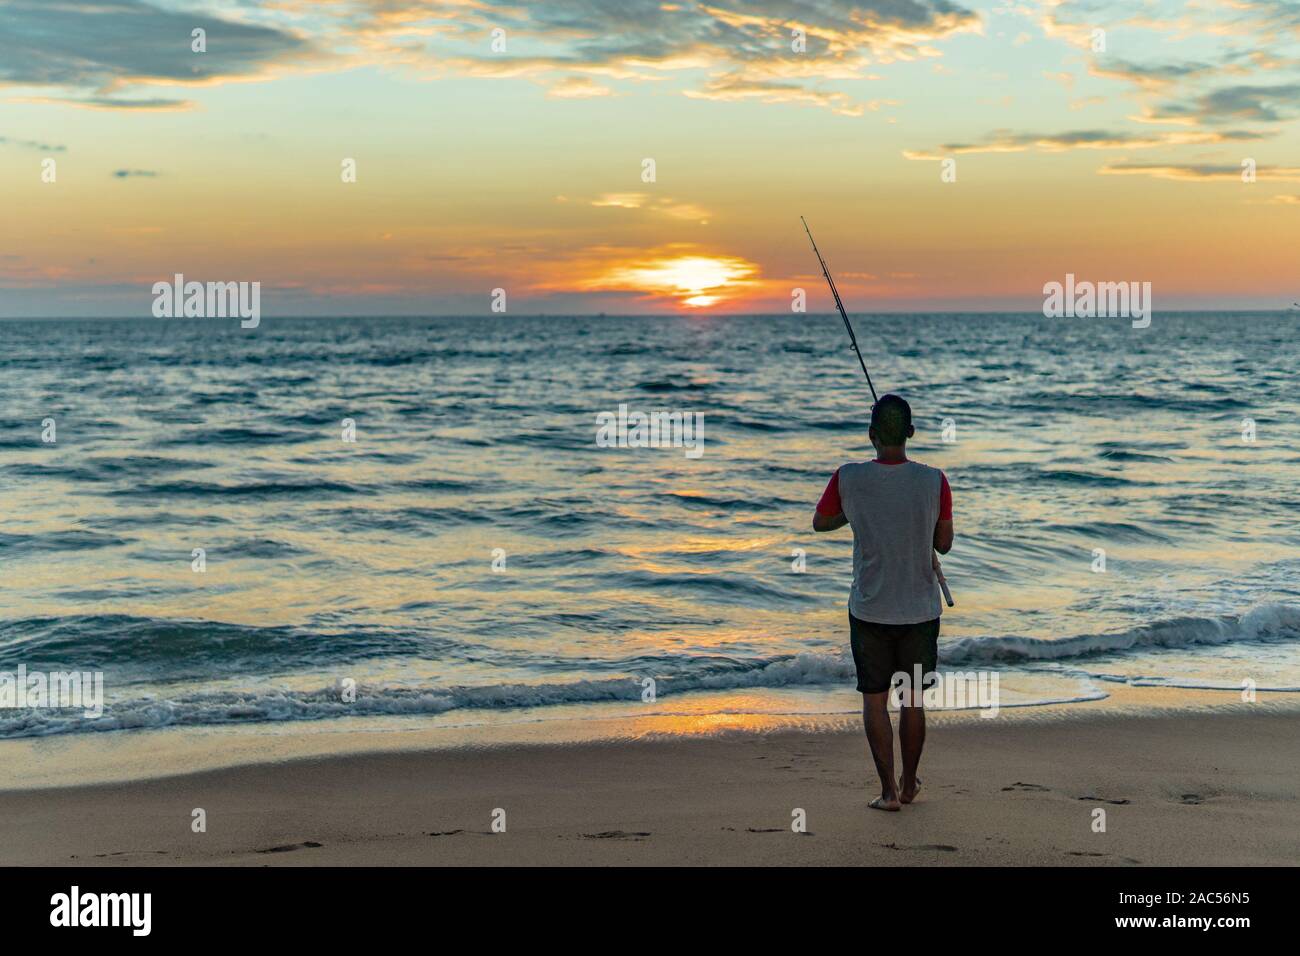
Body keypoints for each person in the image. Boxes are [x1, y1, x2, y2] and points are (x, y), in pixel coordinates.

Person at [812, 394, 953, 811]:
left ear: (871, 435)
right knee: (912, 698)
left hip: (870, 608)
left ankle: (888, 792)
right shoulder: (934, 480)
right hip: (919, 610)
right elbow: (943, 544)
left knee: (874, 699)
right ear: (910, 433)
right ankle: (910, 785)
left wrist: (854, 511)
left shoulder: (848, 477)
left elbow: (820, 523)